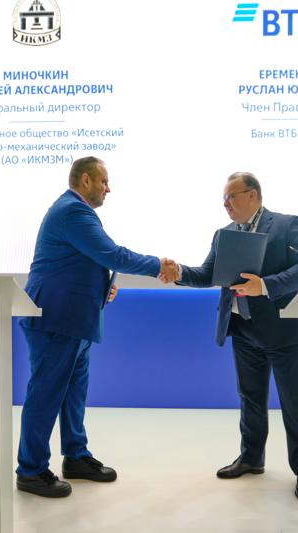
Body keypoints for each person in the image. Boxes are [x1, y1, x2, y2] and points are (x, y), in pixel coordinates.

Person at [16, 156, 179, 498]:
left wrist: (103, 287)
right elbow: (112, 255)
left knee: (73, 394)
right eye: (104, 181)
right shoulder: (72, 211)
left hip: (73, 319)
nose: (109, 188)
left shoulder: (76, 212)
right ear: (86, 180)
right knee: (46, 394)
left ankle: (76, 456)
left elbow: (84, 262)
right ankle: (30, 471)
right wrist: (157, 265)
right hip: (56, 319)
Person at [172, 172, 298, 501]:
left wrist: (264, 286)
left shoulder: (286, 225)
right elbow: (208, 274)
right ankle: (252, 458)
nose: (225, 204)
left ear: (252, 195)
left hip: (282, 330)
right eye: (223, 198)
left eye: (231, 196)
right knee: (250, 397)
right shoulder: (223, 234)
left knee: (295, 402)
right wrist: (177, 272)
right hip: (242, 328)